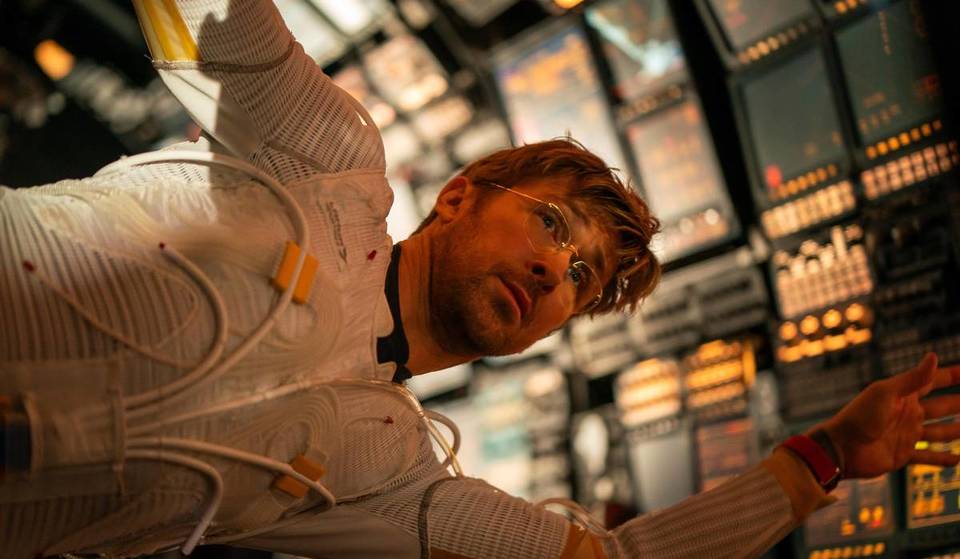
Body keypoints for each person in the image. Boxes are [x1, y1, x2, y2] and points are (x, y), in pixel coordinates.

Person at [1, 1, 959, 557]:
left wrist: (821, 458)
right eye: (551, 223)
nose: (553, 268)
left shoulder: (394, 476)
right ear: (459, 193)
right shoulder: (327, 158)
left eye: (579, 277)